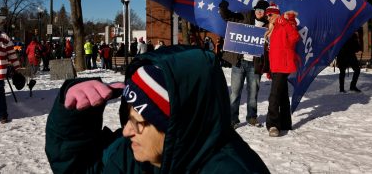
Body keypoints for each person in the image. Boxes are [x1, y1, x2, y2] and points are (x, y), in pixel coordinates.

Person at [45, 46, 270, 173]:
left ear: (175, 125)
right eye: (127, 117)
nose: (126, 131)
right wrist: (74, 121)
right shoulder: (132, 153)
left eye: (139, 121)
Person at [218, 0, 269, 127]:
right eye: (257, 9)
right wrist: (223, 8)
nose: (259, 12)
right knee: (235, 93)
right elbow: (228, 17)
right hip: (239, 62)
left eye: (262, 11)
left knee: (253, 93)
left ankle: (252, 117)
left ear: (265, 13)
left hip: (255, 64)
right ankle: (232, 119)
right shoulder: (245, 16)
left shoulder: (268, 25)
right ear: (254, 9)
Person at [264, 5, 300, 137]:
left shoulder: (286, 23)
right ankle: (285, 123)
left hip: (283, 65)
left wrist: (283, 21)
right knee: (283, 94)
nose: (268, 17)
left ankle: (273, 124)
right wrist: (270, 69)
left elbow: (294, 37)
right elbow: (273, 51)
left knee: (274, 95)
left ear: (276, 14)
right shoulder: (272, 29)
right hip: (276, 66)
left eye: (270, 15)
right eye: (267, 15)